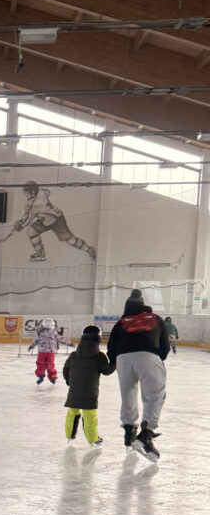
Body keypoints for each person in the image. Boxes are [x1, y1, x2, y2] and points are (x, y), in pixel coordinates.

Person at [107, 289, 169, 461]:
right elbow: (165, 344)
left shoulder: (122, 321)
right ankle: (146, 434)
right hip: (148, 356)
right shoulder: (155, 318)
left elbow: (111, 346)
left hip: (123, 359)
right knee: (154, 395)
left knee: (128, 394)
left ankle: (129, 431)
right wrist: (158, 357)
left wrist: (115, 362)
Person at [13, 182, 96, 262]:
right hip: (46, 220)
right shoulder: (42, 192)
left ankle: (89, 249)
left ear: (32, 193)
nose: (25, 195)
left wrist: (21, 226)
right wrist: (20, 221)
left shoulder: (34, 204)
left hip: (57, 220)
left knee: (70, 240)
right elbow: (48, 192)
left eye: (26, 193)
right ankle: (40, 253)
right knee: (31, 231)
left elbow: (29, 218)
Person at [62, 325, 116, 447]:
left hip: (74, 390)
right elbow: (107, 371)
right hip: (90, 392)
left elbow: (66, 370)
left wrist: (69, 382)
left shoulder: (74, 355)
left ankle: (70, 436)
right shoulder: (99, 356)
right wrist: (115, 362)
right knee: (89, 414)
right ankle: (93, 440)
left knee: (72, 411)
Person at [28, 318, 74, 384]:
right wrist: (70, 343)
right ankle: (52, 378)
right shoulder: (54, 332)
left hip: (42, 352)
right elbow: (61, 339)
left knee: (40, 364)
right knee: (50, 365)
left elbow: (35, 341)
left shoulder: (40, 332)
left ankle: (41, 375)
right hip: (51, 352)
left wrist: (31, 346)